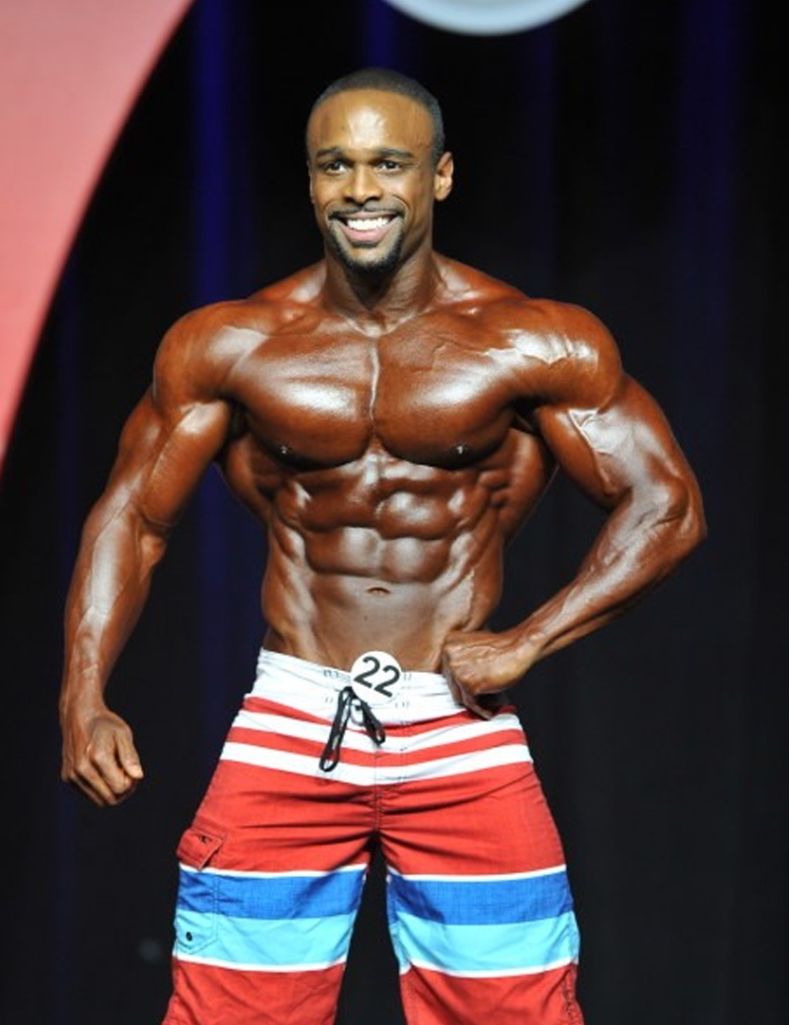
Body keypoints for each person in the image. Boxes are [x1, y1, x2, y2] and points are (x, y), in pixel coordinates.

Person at [59, 66, 706, 1025]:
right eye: (337, 165)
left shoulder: (531, 342)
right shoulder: (232, 344)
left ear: (438, 178)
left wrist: (530, 638)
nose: (361, 188)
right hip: (293, 715)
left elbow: (669, 504)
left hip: (458, 725)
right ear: (311, 182)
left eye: (389, 163)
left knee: (516, 1012)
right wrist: (83, 694)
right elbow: (134, 518)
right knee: (234, 1015)